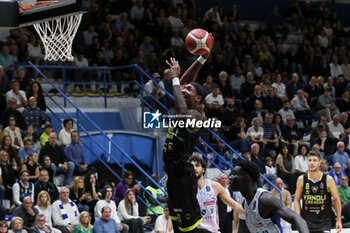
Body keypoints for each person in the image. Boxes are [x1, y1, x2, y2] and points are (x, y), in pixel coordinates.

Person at [164, 54, 215, 233]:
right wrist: (201, 59)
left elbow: (180, 107)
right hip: (173, 176)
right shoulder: (184, 104)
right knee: (178, 229)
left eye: (189, 90)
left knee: (189, 231)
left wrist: (177, 78)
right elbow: (181, 85)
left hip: (184, 179)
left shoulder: (195, 116)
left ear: (198, 98)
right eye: (183, 89)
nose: (184, 90)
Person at [230, 160, 309, 233]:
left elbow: (298, 219)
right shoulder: (245, 203)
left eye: (234, 174)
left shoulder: (265, 199)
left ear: (246, 178)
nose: (230, 177)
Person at [189, 155, 244, 233]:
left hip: (213, 230)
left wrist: (249, 213)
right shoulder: (186, 189)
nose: (194, 168)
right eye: (191, 166)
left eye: (197, 165)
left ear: (203, 169)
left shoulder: (214, 186)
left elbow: (234, 204)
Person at [294, 151, 342, 233]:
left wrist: (339, 220)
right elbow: (296, 200)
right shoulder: (301, 179)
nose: (312, 163)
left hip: (324, 223)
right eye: (310, 160)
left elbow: (337, 199)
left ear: (319, 163)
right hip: (306, 223)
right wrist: (298, 218)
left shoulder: (328, 179)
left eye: (314, 160)